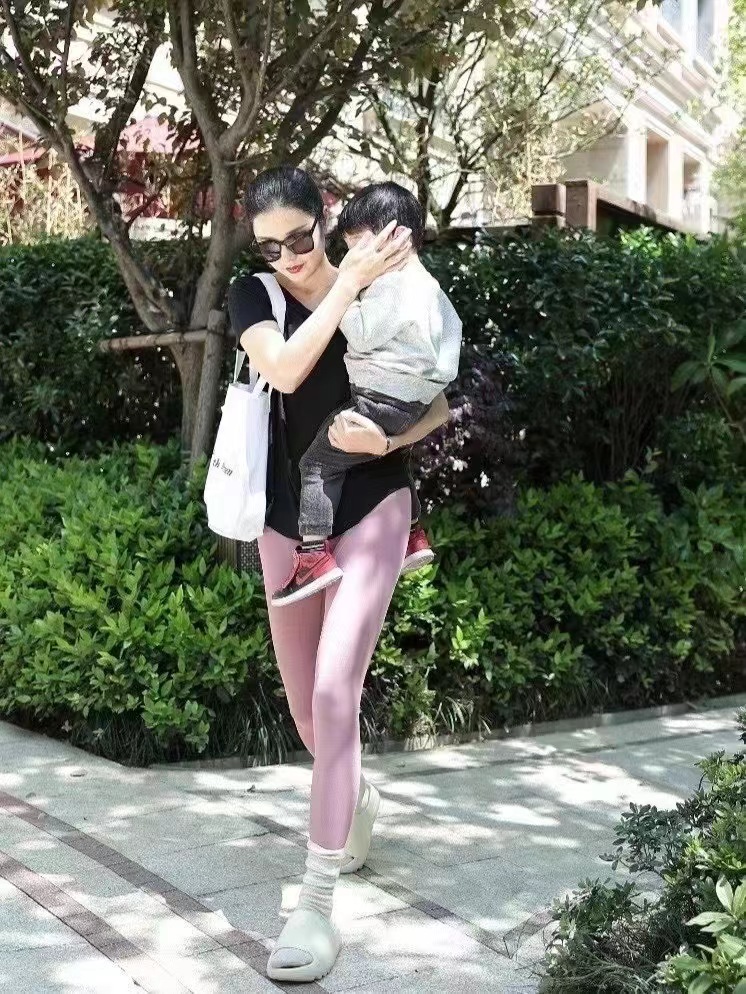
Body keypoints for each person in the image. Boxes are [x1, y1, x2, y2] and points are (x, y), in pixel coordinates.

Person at [226, 165, 450, 984]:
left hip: (374, 505)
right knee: (305, 714)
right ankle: (351, 793)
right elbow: (285, 370)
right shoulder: (256, 296)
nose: (289, 255)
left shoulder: (381, 277)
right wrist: (342, 285)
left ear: (323, 220)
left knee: (332, 695)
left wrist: (389, 442)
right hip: (285, 520)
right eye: (270, 245)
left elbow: (436, 400)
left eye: (299, 236)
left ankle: (315, 907)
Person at [271, 181, 462, 608]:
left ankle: (313, 554)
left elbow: (357, 330)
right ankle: (412, 535)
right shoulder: (432, 289)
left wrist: (343, 290)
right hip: (413, 403)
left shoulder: (393, 286)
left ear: (397, 237)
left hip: (377, 400)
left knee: (316, 464)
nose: (355, 259)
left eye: (360, 247)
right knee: (395, 455)